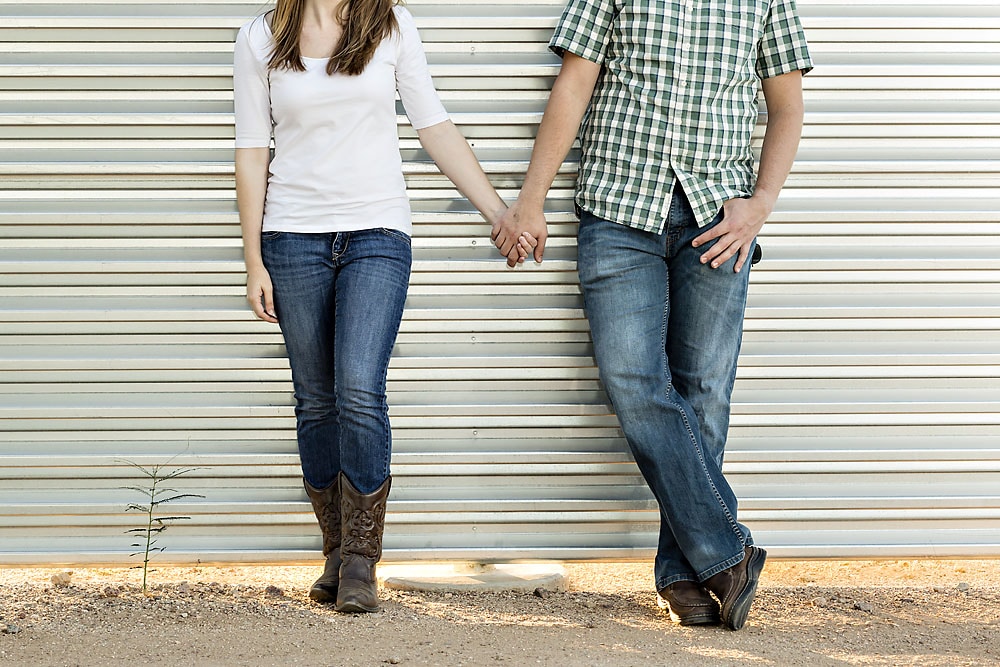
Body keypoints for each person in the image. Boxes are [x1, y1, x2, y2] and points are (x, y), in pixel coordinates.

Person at [493, 0, 812, 630]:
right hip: (618, 210)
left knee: (705, 393)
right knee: (632, 380)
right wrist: (531, 201)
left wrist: (762, 205)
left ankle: (684, 571)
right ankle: (727, 553)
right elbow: (575, 82)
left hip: (719, 217)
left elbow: (786, 104)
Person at [233, 0, 507, 613]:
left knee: (359, 386)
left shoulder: (391, 23)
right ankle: (334, 551)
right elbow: (252, 151)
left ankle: (361, 560)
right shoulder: (259, 37)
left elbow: (433, 125)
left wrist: (498, 212)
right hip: (291, 237)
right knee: (315, 398)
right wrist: (253, 258)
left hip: (378, 234)